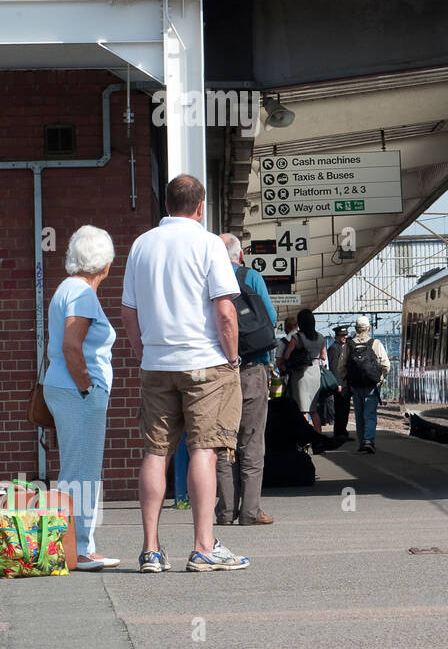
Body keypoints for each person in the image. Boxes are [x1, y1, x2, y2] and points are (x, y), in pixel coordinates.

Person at [121, 174, 250, 573]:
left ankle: (150, 551)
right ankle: (203, 546)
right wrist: (232, 358)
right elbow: (225, 311)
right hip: (205, 364)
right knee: (203, 450)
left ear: (165, 205)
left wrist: (145, 353)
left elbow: (128, 312)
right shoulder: (209, 244)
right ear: (200, 207)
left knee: (156, 452)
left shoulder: (141, 246)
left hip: (157, 364)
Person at [44, 225, 120, 571]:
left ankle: (72, 545)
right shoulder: (83, 293)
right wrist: (89, 387)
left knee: (74, 468)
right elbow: (72, 346)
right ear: (104, 264)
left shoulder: (65, 288)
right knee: (83, 470)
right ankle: (80, 548)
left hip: (63, 386)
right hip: (78, 391)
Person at [215, 233, 277, 526]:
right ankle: (250, 512)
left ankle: (226, 511)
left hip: (218, 372)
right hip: (252, 370)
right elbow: (270, 317)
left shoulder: (207, 277)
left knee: (223, 442)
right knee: (251, 441)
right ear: (240, 255)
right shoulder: (250, 277)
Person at [337, 315, 390, 454]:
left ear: (355, 329)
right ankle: (369, 440)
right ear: (369, 328)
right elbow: (386, 365)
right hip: (371, 386)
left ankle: (361, 443)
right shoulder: (375, 343)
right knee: (370, 414)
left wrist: (348, 379)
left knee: (359, 416)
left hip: (355, 386)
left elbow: (341, 367)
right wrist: (380, 379)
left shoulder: (349, 345)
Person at [280, 309, 328, 434]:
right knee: (313, 409)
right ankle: (318, 437)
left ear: (300, 323)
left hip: (301, 374)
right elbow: (323, 356)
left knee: (302, 409)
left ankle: (305, 439)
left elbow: (286, 356)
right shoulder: (321, 337)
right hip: (315, 373)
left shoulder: (297, 337)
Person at [327, 324, 352, 441]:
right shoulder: (333, 348)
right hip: (340, 384)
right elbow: (333, 367)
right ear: (336, 336)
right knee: (340, 408)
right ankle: (339, 432)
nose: (345, 337)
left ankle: (343, 431)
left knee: (345, 408)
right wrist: (338, 383)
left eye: (346, 335)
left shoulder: (346, 347)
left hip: (347, 383)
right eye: (342, 335)